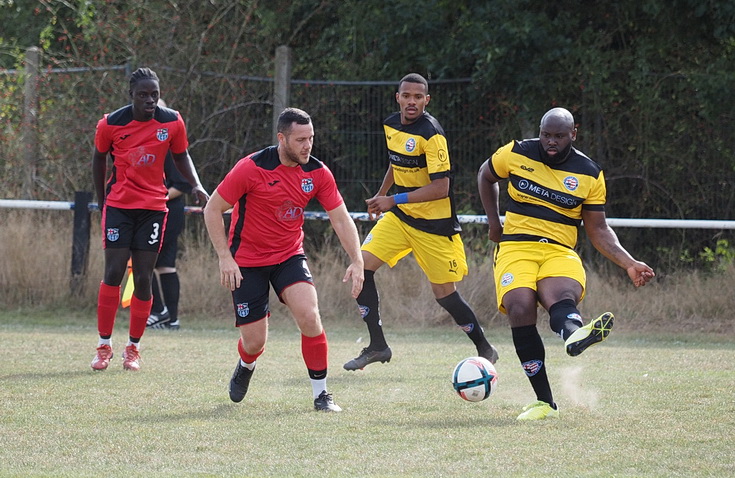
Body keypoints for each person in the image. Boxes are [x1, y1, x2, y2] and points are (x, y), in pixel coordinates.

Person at [477, 107, 655, 421]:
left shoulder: (589, 172)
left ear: (573, 134)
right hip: (516, 246)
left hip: (559, 250)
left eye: (559, 136)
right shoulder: (516, 152)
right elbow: (485, 175)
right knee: (520, 307)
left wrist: (628, 263)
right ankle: (544, 402)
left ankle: (574, 335)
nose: (551, 142)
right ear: (540, 131)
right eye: (546, 134)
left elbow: (598, 228)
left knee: (560, 297)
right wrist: (494, 222)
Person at [203, 107, 364, 412]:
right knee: (255, 342)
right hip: (247, 261)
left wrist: (357, 260)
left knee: (309, 315)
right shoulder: (251, 168)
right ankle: (246, 364)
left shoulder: (317, 172)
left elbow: (341, 219)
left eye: (311, 138)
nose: (308, 145)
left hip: (289, 255)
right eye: (301, 139)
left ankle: (321, 395)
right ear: (282, 138)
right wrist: (225, 258)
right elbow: (212, 209)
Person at [344, 73, 499, 371]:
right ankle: (378, 346)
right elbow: (396, 159)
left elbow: (441, 187)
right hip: (401, 219)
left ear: (427, 100)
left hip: (435, 227)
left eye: (418, 97)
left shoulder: (432, 134)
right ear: (398, 97)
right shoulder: (391, 124)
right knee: (359, 268)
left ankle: (485, 348)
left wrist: (393, 201)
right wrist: (381, 194)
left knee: (445, 294)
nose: (411, 101)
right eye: (407, 96)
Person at [91, 67, 209, 371]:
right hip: (119, 206)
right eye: (143, 94)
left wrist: (195, 184)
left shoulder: (171, 121)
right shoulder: (111, 123)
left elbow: (182, 155)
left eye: (154, 95)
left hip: (153, 208)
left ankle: (134, 348)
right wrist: (102, 202)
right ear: (131, 95)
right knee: (114, 272)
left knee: (144, 277)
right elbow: (99, 158)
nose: (150, 100)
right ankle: (104, 345)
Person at [145, 149, 190, 330]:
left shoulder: (169, 150)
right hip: (154, 213)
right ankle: (171, 319)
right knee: (164, 265)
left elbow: (182, 185)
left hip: (166, 213)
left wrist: (153, 200)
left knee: (141, 261)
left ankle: (159, 311)